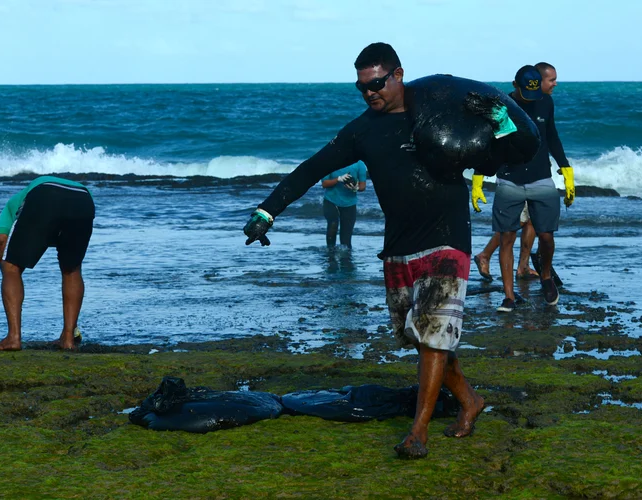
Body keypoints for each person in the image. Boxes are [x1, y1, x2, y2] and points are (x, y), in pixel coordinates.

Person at [242, 42, 485, 459]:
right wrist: (268, 210)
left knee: (431, 335)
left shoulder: (433, 114)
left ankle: (418, 432)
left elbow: (497, 147)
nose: (370, 92)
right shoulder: (362, 130)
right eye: (362, 87)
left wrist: (501, 121)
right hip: (399, 246)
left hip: (449, 237)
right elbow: (313, 168)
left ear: (398, 74)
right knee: (423, 335)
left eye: (376, 83)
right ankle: (470, 399)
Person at [473, 65, 575, 313]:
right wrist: (478, 177)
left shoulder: (546, 103)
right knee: (506, 237)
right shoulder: (502, 106)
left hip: (542, 179)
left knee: (547, 237)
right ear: (515, 85)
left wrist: (566, 170)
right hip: (509, 180)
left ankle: (546, 276)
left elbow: (552, 137)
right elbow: (491, 144)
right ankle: (508, 296)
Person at [0, 176, 95, 351]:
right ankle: (68, 339)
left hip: (46, 194)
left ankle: (13, 338)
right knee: (72, 268)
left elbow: (1, 239)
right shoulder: (31, 194)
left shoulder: (11, 204)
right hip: (83, 199)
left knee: (11, 267)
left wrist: (5, 269)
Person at [320, 164, 366, 248]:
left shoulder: (360, 164)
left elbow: (363, 186)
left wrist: (356, 188)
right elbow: (324, 184)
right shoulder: (330, 160)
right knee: (333, 224)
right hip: (331, 200)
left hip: (350, 203)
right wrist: (338, 179)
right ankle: (330, 254)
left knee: (346, 239)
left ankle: (346, 258)